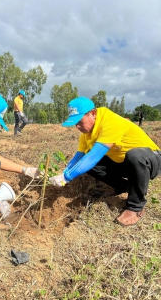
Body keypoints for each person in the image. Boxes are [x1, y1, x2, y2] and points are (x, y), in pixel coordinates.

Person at [49, 97, 161, 226]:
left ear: (93, 114)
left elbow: (93, 157)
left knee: (134, 155)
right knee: (88, 165)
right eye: (75, 123)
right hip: (125, 163)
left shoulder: (110, 122)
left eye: (80, 121)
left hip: (150, 159)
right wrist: (63, 173)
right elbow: (78, 158)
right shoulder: (86, 135)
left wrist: (67, 177)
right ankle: (125, 187)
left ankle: (135, 207)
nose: (77, 126)